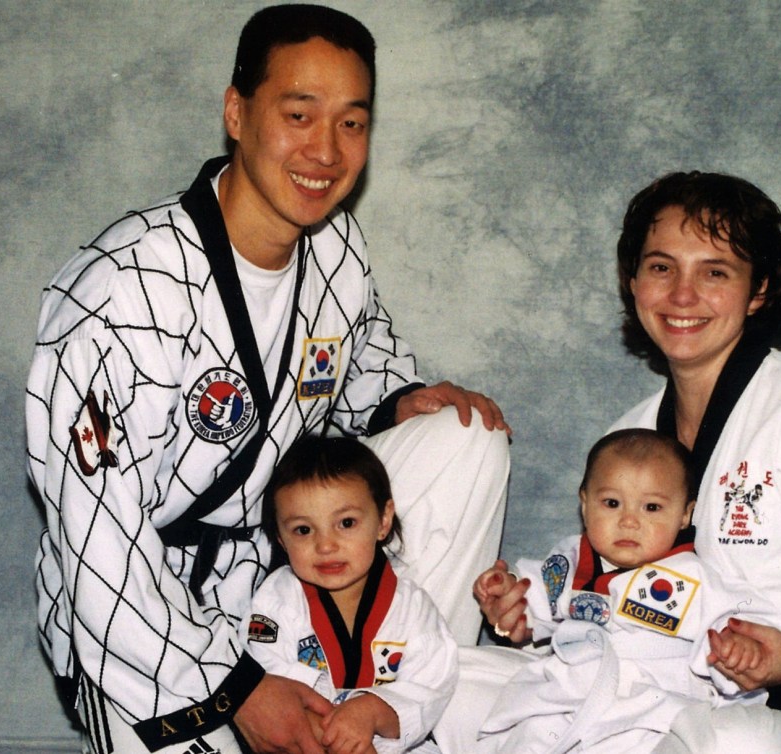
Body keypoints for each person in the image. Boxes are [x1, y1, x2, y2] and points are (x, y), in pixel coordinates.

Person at [26, 6, 509, 754]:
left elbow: (354, 361)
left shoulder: (334, 245)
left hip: (289, 560)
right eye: (298, 114)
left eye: (352, 122)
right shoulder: (124, 290)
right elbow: (95, 536)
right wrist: (236, 686)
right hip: (148, 603)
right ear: (236, 113)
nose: (326, 149)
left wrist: (399, 399)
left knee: (465, 438)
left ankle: (398, 688)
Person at [475, 172, 781, 754]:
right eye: (661, 267)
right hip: (657, 701)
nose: (683, 296)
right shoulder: (629, 438)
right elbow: (606, 595)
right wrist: (526, 619)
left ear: (758, 290)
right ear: (632, 281)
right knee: (458, 681)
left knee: (728, 742)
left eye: (715, 272)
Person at [472, 428, 781, 753]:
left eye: (651, 508)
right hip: (571, 689)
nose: (629, 521)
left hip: (653, 703)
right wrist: (506, 591)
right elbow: (532, 594)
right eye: (612, 503)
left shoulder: (691, 575)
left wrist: (742, 647)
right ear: (585, 503)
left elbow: (741, 615)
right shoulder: (571, 559)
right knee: (528, 731)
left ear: (684, 514)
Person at [243, 436, 457, 754]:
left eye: (346, 523)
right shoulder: (276, 601)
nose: (326, 545)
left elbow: (432, 684)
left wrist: (371, 711)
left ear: (383, 521)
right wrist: (325, 732)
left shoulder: (412, 607)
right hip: (303, 740)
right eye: (303, 529)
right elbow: (265, 676)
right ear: (282, 538)